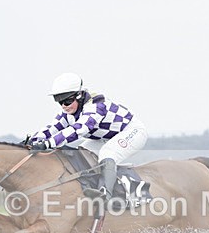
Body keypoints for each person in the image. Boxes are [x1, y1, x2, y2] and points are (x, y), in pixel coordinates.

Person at [29, 72, 148, 200]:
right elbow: (52, 128)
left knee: (107, 154)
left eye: (67, 100)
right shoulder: (68, 111)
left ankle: (105, 195)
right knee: (81, 154)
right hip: (105, 137)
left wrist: (48, 144)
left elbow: (79, 129)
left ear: (79, 95)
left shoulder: (96, 105)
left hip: (131, 131)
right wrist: (34, 140)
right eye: (59, 101)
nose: (64, 105)